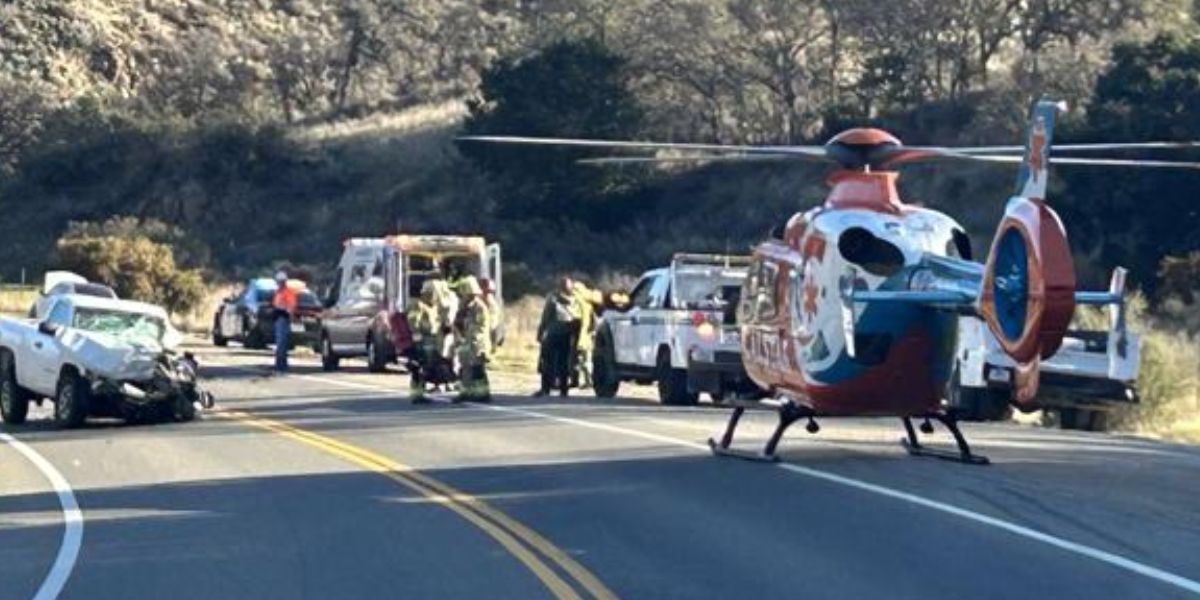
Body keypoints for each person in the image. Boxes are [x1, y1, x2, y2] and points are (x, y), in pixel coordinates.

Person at [535, 276, 581, 397]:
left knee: (548, 363)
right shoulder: (577, 301)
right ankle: (563, 389)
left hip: (553, 334)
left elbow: (546, 317)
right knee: (563, 363)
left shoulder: (553, 299)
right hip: (568, 335)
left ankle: (546, 388)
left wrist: (540, 333)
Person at [454, 275, 493, 402]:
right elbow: (457, 322)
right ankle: (465, 393)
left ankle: (483, 394)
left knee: (478, 369)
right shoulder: (463, 307)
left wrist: (475, 342)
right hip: (465, 343)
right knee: (464, 370)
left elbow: (480, 327)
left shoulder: (479, 307)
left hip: (477, 343)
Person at [407, 280, 445, 404]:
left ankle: (421, 392)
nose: (435, 297)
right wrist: (417, 338)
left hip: (431, 341)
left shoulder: (433, 307)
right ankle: (417, 394)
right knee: (418, 368)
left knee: (427, 367)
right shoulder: (418, 305)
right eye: (433, 294)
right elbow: (413, 321)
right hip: (422, 341)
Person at [572, 281, 600, 389]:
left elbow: (577, 318)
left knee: (584, 360)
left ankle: (589, 381)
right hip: (588, 334)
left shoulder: (579, 301)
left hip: (582, 335)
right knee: (585, 359)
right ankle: (588, 381)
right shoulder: (589, 301)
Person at [271, 270, 298, 373]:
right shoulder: (278, 292)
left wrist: (284, 310)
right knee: (279, 343)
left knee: (281, 343)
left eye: (280, 281)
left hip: (283, 318)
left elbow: (291, 307)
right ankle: (279, 364)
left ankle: (281, 366)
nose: (279, 283)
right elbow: (275, 304)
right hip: (278, 318)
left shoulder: (288, 292)